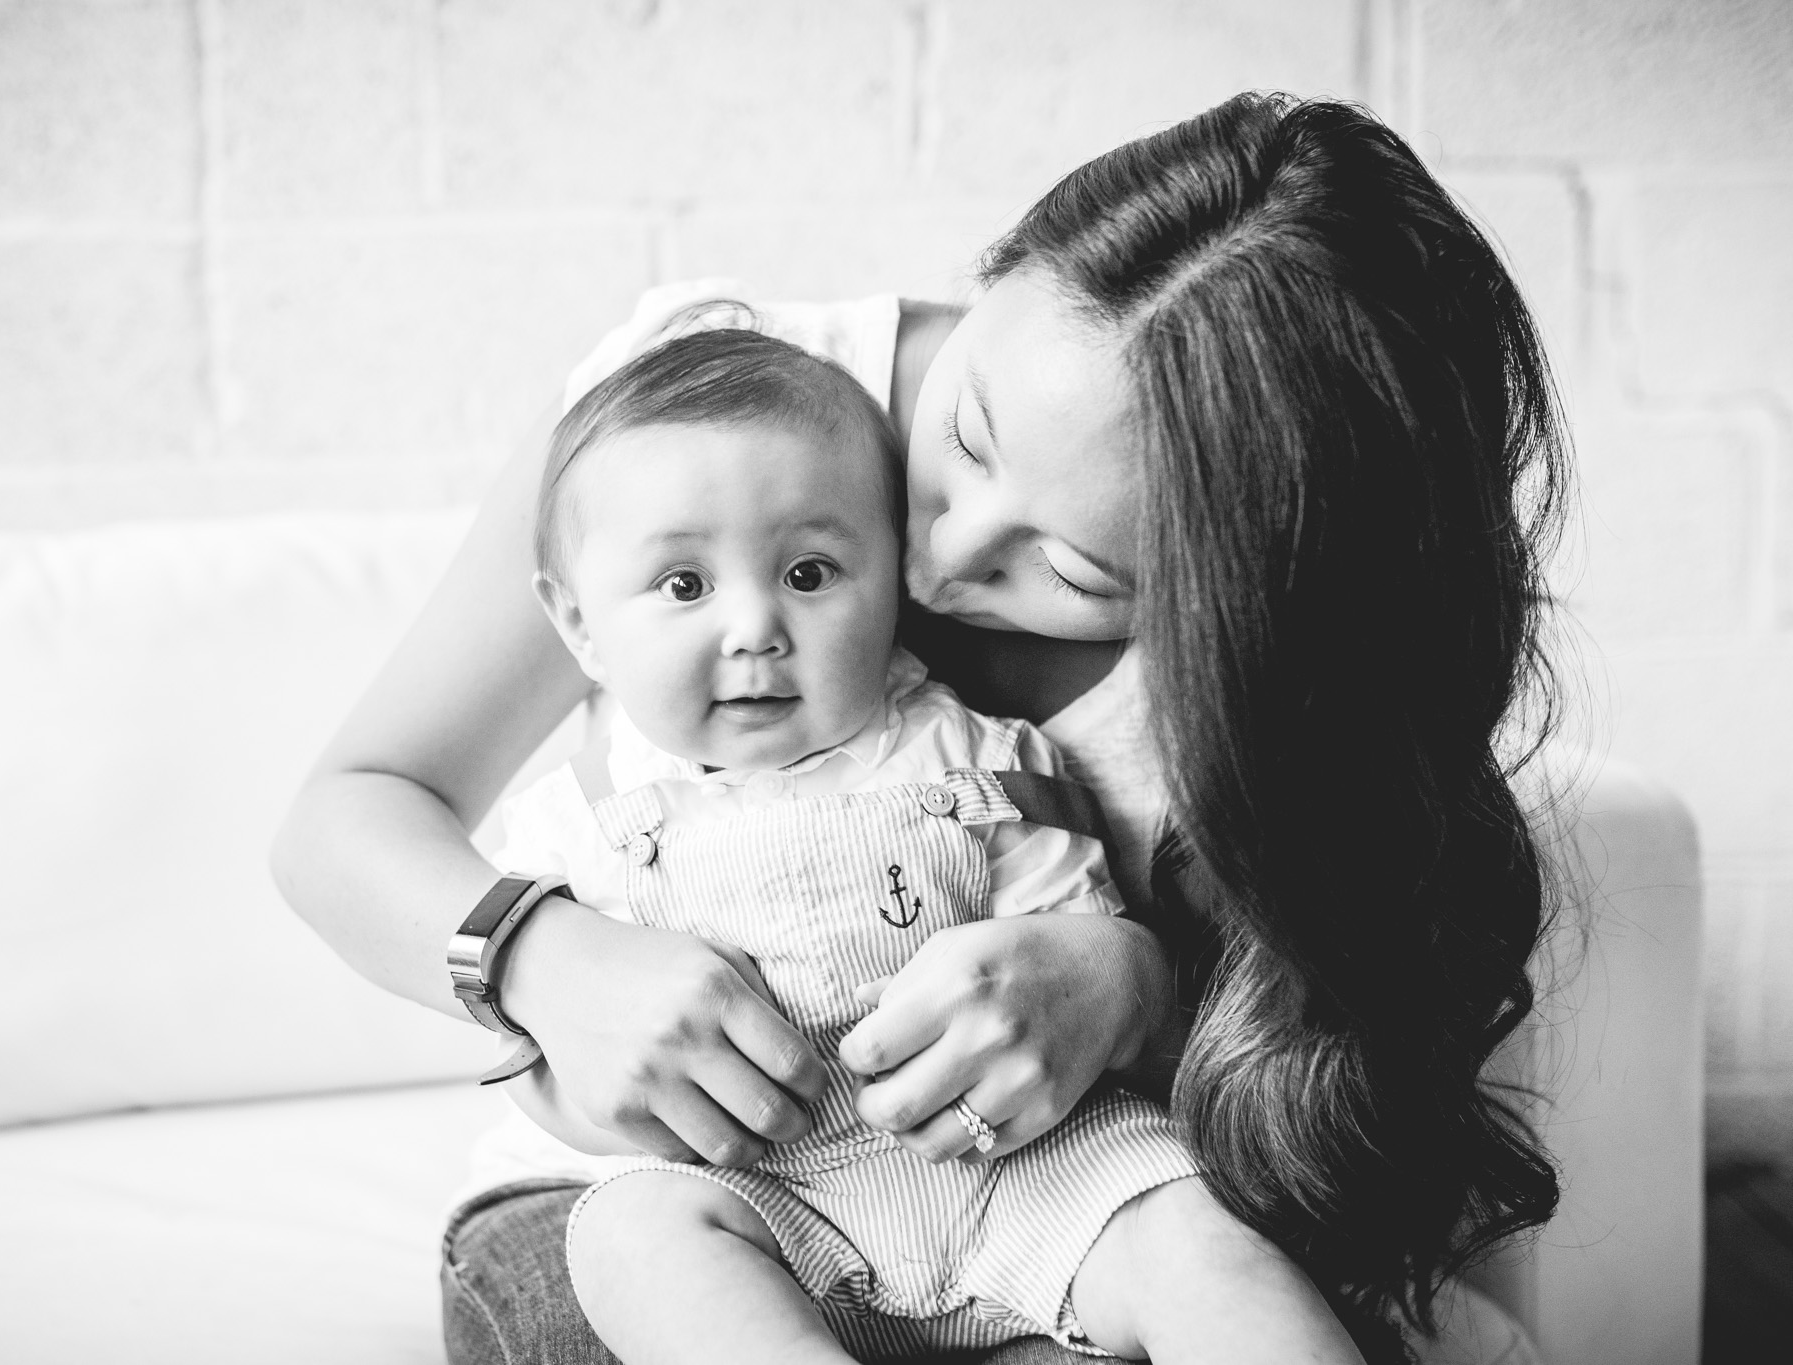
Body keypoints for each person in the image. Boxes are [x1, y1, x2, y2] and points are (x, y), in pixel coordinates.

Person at [271, 92, 1566, 1365]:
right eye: (968, 435)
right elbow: (350, 812)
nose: (939, 555)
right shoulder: (704, 414)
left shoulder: (1275, 686)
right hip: (697, 1187)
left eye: (1075, 570)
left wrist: (1128, 985)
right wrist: (543, 960)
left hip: (1015, 1186)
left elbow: (1301, 1082)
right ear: (1002, 268)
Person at [489, 323, 1363, 1364]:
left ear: (893, 579)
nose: (755, 626)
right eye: (685, 586)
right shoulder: (573, 825)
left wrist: (1086, 960)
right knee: (634, 1238)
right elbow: (541, 1071)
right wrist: (613, 1110)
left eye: (810, 572)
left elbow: (1075, 935)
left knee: (1196, 1241)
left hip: (1025, 1169)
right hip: (763, 1193)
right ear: (580, 624)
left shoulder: (979, 757)